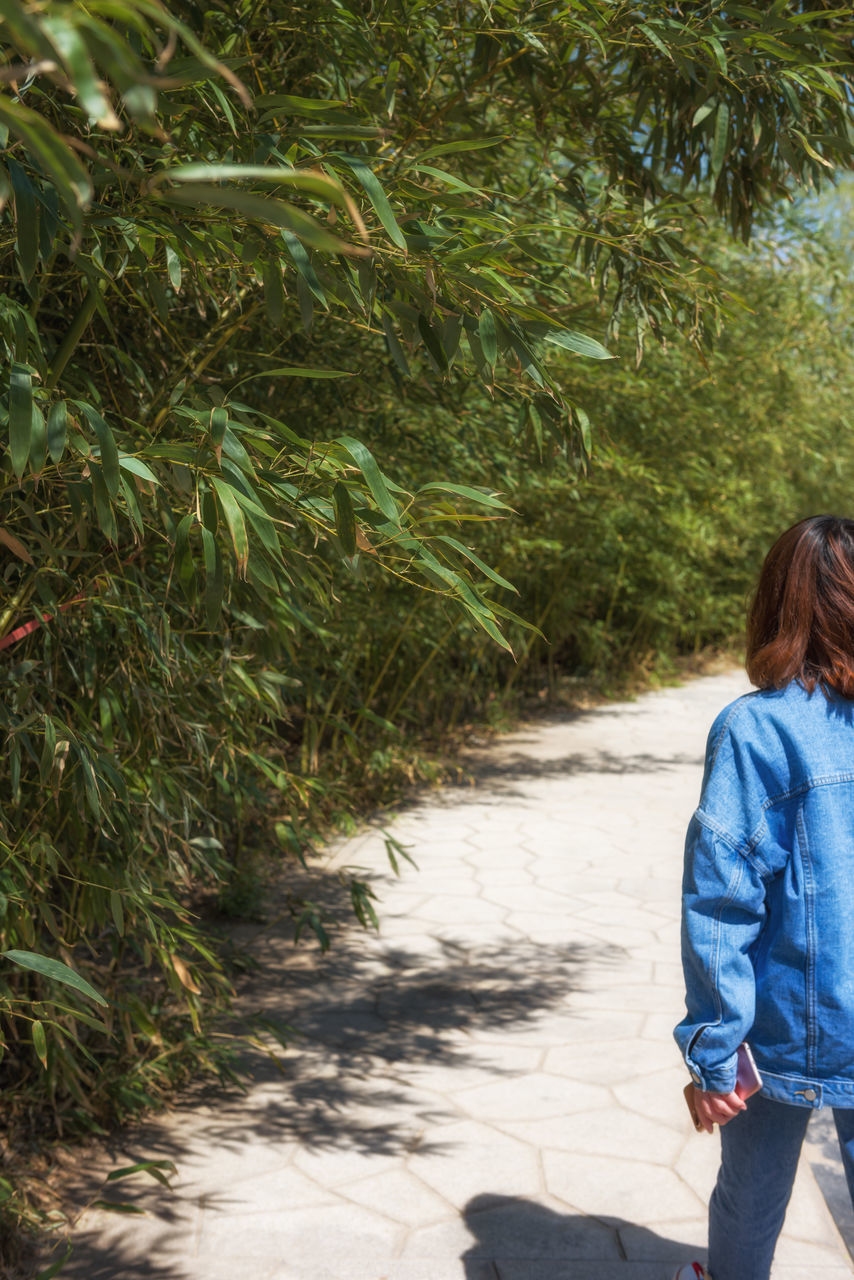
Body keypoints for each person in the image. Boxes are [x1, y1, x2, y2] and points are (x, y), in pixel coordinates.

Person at [672, 515, 854, 1280]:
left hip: (784, 1026)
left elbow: (723, 901)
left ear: (776, 603)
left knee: (749, 1198)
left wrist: (713, 1054)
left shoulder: (756, 731)